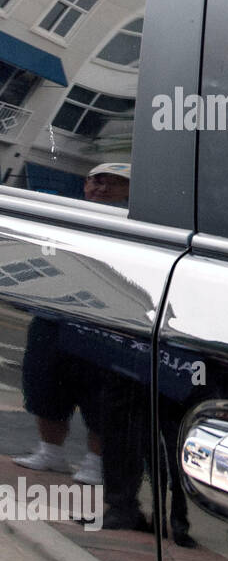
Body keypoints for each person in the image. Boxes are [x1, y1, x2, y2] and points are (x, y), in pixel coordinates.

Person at [12, 162, 131, 483]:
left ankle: (96, 461)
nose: (103, 189)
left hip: (104, 323)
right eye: (97, 181)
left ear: (130, 190)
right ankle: (50, 452)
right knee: (43, 385)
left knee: (100, 396)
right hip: (54, 315)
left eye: (114, 183)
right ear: (85, 185)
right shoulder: (67, 213)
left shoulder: (133, 224)